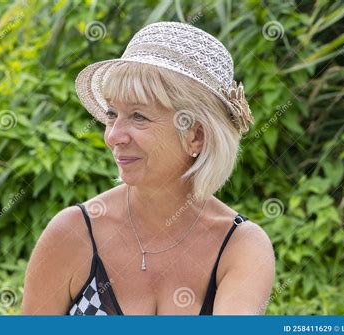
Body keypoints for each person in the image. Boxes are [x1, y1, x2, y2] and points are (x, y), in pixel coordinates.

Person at [22, 21, 275, 315]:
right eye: (112, 114)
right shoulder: (72, 234)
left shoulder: (241, 247)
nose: (113, 136)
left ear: (196, 136)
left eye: (139, 116)